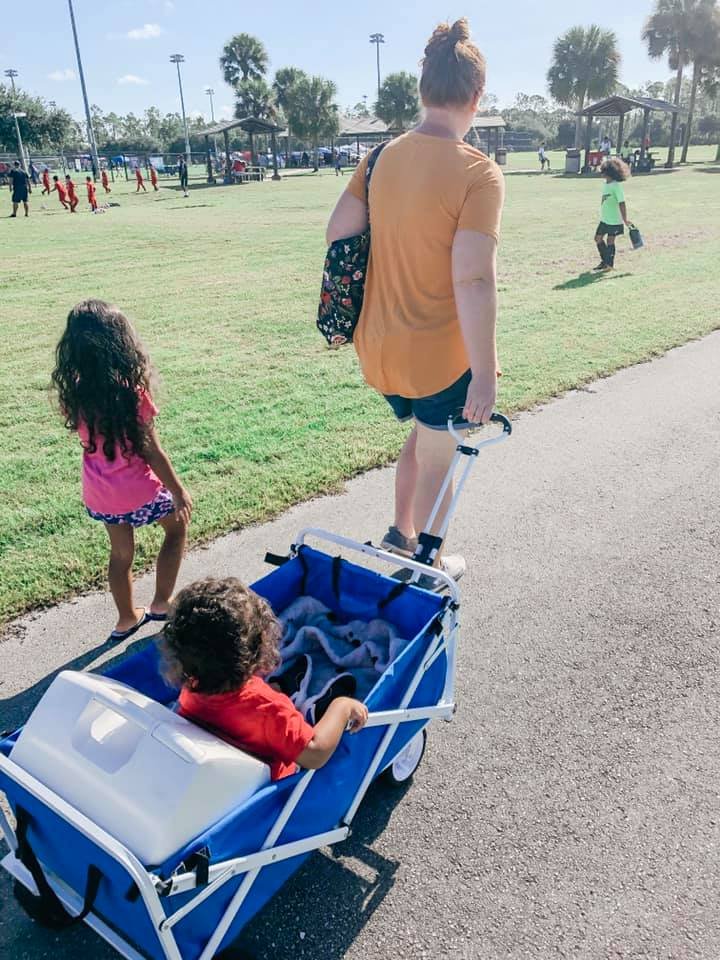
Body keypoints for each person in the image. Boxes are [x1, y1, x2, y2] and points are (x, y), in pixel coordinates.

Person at [326, 18, 504, 587]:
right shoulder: (480, 172)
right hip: (436, 355)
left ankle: (400, 535)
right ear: (476, 97)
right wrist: (483, 373)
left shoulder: (379, 156)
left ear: (423, 89)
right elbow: (473, 281)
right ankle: (427, 564)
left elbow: (339, 231)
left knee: (423, 437)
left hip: (379, 350)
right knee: (439, 457)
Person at [51, 299, 193, 641]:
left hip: (100, 493)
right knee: (175, 529)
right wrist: (178, 490)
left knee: (120, 554)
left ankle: (126, 618)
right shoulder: (131, 395)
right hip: (138, 489)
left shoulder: (76, 394)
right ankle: (161, 602)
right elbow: (152, 452)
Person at [160, 577, 369, 780]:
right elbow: (315, 754)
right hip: (270, 774)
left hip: (222, 769)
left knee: (266, 702)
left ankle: (284, 688)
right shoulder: (269, 709)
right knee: (300, 716)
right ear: (254, 649)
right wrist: (342, 707)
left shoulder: (192, 685)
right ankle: (319, 710)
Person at [594, 157, 631, 272]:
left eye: (603, 172)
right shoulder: (606, 184)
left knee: (610, 240)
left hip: (614, 220)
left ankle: (609, 264)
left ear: (609, 173)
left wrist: (625, 219)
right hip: (605, 219)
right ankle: (605, 261)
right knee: (598, 238)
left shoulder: (616, 186)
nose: (601, 174)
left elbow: (622, 203)